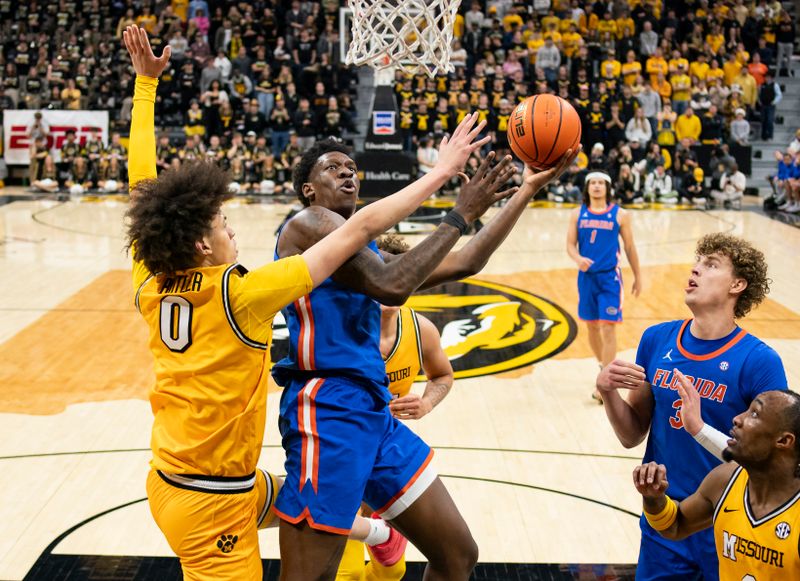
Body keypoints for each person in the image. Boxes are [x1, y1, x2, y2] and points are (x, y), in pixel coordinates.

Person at [122, 26, 488, 581]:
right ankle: (372, 532)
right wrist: (440, 176)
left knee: (308, 504)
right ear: (201, 244)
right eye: (223, 225)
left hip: (198, 477)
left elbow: (140, 186)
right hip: (209, 503)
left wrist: (145, 88)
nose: (232, 231)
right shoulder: (241, 291)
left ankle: (378, 534)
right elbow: (356, 230)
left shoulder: (150, 277)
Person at [272, 134, 578, 578]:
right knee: (309, 577)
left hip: (372, 413)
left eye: (352, 168)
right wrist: (461, 213)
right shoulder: (306, 223)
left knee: (457, 554)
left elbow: (467, 261)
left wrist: (528, 188)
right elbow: (392, 285)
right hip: (327, 408)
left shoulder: (365, 251)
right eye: (333, 167)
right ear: (307, 189)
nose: (347, 172)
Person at [596, 232, 788, 580]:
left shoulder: (759, 361)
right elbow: (631, 434)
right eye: (697, 262)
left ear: (738, 284)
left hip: (728, 521)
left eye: (711, 264)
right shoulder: (657, 339)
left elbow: (773, 460)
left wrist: (699, 428)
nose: (695, 269)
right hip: (665, 512)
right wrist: (607, 392)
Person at [336, 235, 455, 581]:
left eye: (397, 274)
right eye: (380, 274)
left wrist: (427, 401)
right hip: (340, 452)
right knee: (346, 575)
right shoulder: (342, 330)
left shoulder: (421, 331)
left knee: (393, 572)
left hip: (384, 454)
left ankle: (380, 533)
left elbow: (443, 375)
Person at [633, 372, 800, 580]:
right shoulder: (724, 481)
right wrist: (653, 498)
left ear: (784, 440)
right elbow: (674, 526)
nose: (738, 419)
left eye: (754, 414)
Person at [567, 171, 642, 402]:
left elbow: (629, 247)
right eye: (593, 183)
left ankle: (606, 383)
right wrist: (578, 259)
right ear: (587, 187)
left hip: (610, 278)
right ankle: (604, 367)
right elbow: (570, 245)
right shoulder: (576, 214)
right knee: (591, 327)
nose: (597, 186)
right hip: (586, 279)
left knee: (608, 327)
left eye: (601, 183)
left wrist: (638, 276)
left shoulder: (620, 215)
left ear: (608, 188)